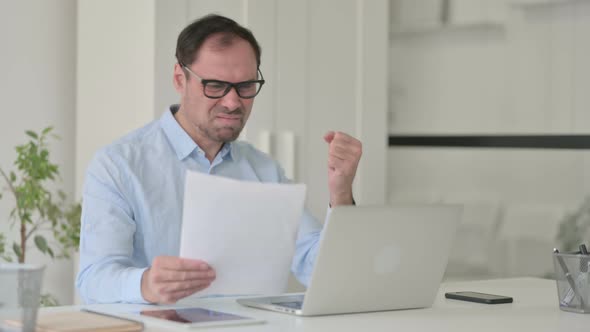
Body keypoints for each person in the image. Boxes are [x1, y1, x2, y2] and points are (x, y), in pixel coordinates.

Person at [76, 14, 362, 304]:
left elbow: (319, 271)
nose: (233, 102)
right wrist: (144, 284)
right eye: (215, 85)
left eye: (246, 86)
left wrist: (340, 194)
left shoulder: (264, 170)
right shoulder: (118, 165)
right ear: (179, 78)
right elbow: (93, 278)